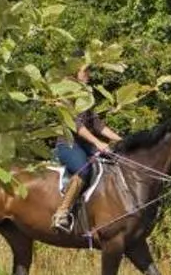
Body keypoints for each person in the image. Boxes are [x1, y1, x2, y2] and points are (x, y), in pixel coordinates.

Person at [52, 65, 126, 232]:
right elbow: (77, 126)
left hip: (86, 144)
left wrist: (121, 140)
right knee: (83, 170)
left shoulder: (86, 94)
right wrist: (98, 143)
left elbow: (97, 124)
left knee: (115, 160)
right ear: (74, 72)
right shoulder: (66, 93)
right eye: (85, 71)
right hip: (68, 144)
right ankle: (62, 212)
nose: (88, 75)